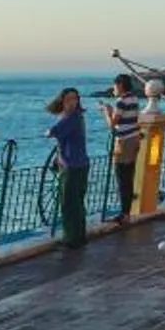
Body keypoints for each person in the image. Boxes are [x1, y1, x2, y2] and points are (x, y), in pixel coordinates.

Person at [46, 87, 91, 249]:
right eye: (69, 99)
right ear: (62, 101)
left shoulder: (72, 118)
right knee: (77, 202)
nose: (72, 102)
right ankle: (79, 236)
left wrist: (48, 132)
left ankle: (71, 239)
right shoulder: (77, 117)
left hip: (72, 165)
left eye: (75, 99)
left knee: (68, 202)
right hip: (79, 163)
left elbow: (54, 131)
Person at [104, 74, 147, 223]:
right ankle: (127, 212)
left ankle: (124, 214)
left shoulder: (121, 101)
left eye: (115, 85)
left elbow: (112, 124)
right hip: (135, 139)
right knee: (129, 176)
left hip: (124, 142)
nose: (113, 89)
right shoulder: (134, 98)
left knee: (121, 177)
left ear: (120, 85)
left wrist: (107, 112)